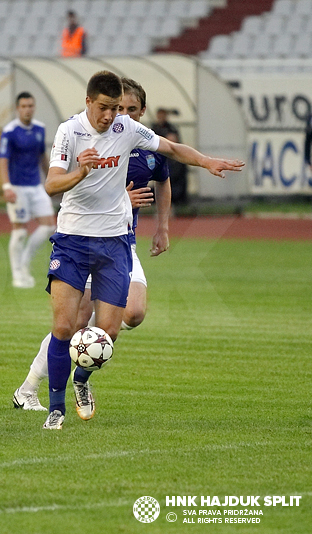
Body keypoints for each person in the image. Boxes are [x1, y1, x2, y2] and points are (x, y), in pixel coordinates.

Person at [14, 71, 242, 430]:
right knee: (63, 327)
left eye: (116, 108)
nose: (110, 116)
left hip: (115, 243)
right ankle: (55, 411)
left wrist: (207, 160)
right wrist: (80, 172)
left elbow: (172, 149)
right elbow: (52, 184)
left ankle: (82, 381)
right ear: (89, 102)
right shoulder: (69, 131)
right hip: (72, 239)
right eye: (104, 108)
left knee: (109, 333)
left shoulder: (127, 129)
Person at [12, 77, 171, 413]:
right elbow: (69, 184)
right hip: (83, 240)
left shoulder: (142, 145)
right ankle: (31, 387)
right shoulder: (87, 135)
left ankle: (82, 370)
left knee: (134, 313)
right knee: (74, 322)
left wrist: (163, 227)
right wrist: (117, 197)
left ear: (140, 111)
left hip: (121, 243)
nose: (118, 115)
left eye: (127, 109)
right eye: (114, 108)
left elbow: (165, 181)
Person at [0, 92, 56, 288]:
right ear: (17, 109)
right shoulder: (10, 131)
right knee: (20, 231)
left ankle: (24, 262)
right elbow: (2, 160)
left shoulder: (40, 129)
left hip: (35, 185)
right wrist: (6, 186)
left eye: (30, 105)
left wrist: (53, 180)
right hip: (17, 187)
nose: (27, 109)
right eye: (23, 106)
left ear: (34, 107)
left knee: (49, 226)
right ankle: (17, 275)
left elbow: (42, 157)